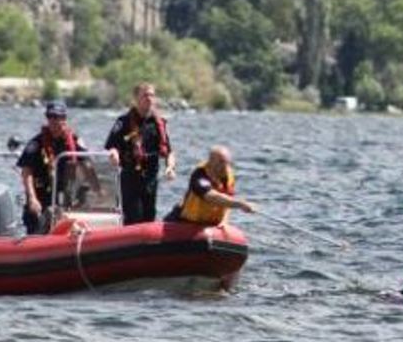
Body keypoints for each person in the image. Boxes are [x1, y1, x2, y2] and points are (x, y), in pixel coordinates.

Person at [17, 101, 96, 234]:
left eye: (57, 117)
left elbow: (87, 165)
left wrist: (98, 191)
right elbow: (26, 172)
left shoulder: (75, 142)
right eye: (50, 117)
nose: (53, 121)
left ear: (64, 119)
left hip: (65, 197)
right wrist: (32, 198)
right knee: (37, 225)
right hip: (41, 196)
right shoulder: (36, 144)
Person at [105, 82, 176, 224]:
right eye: (145, 95)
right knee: (134, 217)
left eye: (152, 95)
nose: (149, 99)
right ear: (136, 98)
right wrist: (114, 154)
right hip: (130, 179)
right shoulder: (123, 122)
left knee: (149, 217)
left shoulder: (158, 123)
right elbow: (111, 146)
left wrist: (170, 167)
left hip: (151, 179)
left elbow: (169, 152)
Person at [166, 145, 256, 226]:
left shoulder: (228, 175)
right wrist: (240, 204)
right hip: (185, 220)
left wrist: (224, 221)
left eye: (227, 163)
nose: (225, 166)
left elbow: (228, 198)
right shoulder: (200, 174)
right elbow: (211, 197)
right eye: (221, 162)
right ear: (211, 161)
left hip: (211, 222)